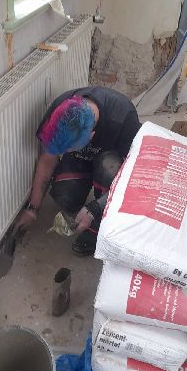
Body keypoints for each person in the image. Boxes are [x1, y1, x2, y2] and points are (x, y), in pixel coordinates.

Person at [15, 86, 141, 256]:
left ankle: (98, 227)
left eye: (68, 149)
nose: (63, 153)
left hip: (111, 163)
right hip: (82, 160)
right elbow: (47, 160)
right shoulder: (60, 111)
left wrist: (95, 209)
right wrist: (33, 209)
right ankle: (84, 186)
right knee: (65, 197)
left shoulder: (124, 119)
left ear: (91, 135)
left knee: (108, 167)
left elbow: (132, 177)